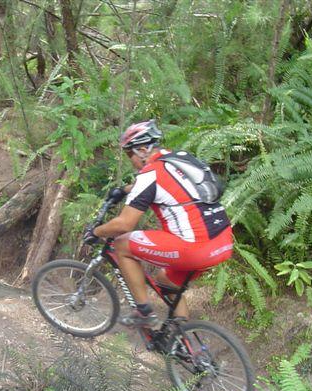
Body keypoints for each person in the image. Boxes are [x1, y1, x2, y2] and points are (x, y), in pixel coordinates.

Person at [83, 120, 234, 327]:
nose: (131, 161)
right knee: (166, 281)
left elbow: (124, 224)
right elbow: (166, 183)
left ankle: (144, 311)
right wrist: (124, 190)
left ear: (143, 149)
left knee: (121, 244)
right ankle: (182, 337)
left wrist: (96, 231)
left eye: (130, 155)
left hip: (194, 247)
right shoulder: (179, 159)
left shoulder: (150, 174)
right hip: (222, 243)